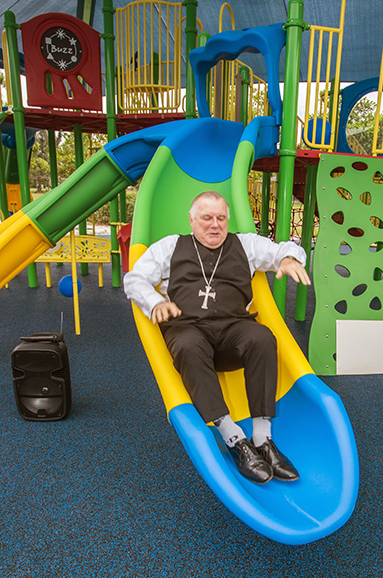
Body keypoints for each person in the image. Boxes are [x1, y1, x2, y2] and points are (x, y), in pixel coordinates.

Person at [124, 191, 311, 484]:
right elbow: (134, 279)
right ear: (192, 219)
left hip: (232, 329)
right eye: (207, 218)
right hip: (188, 328)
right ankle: (234, 438)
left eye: (221, 218)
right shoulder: (170, 247)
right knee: (187, 344)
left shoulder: (245, 244)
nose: (215, 225)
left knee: (262, 337)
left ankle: (262, 438)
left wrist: (288, 259)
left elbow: (282, 249)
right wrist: (155, 302)